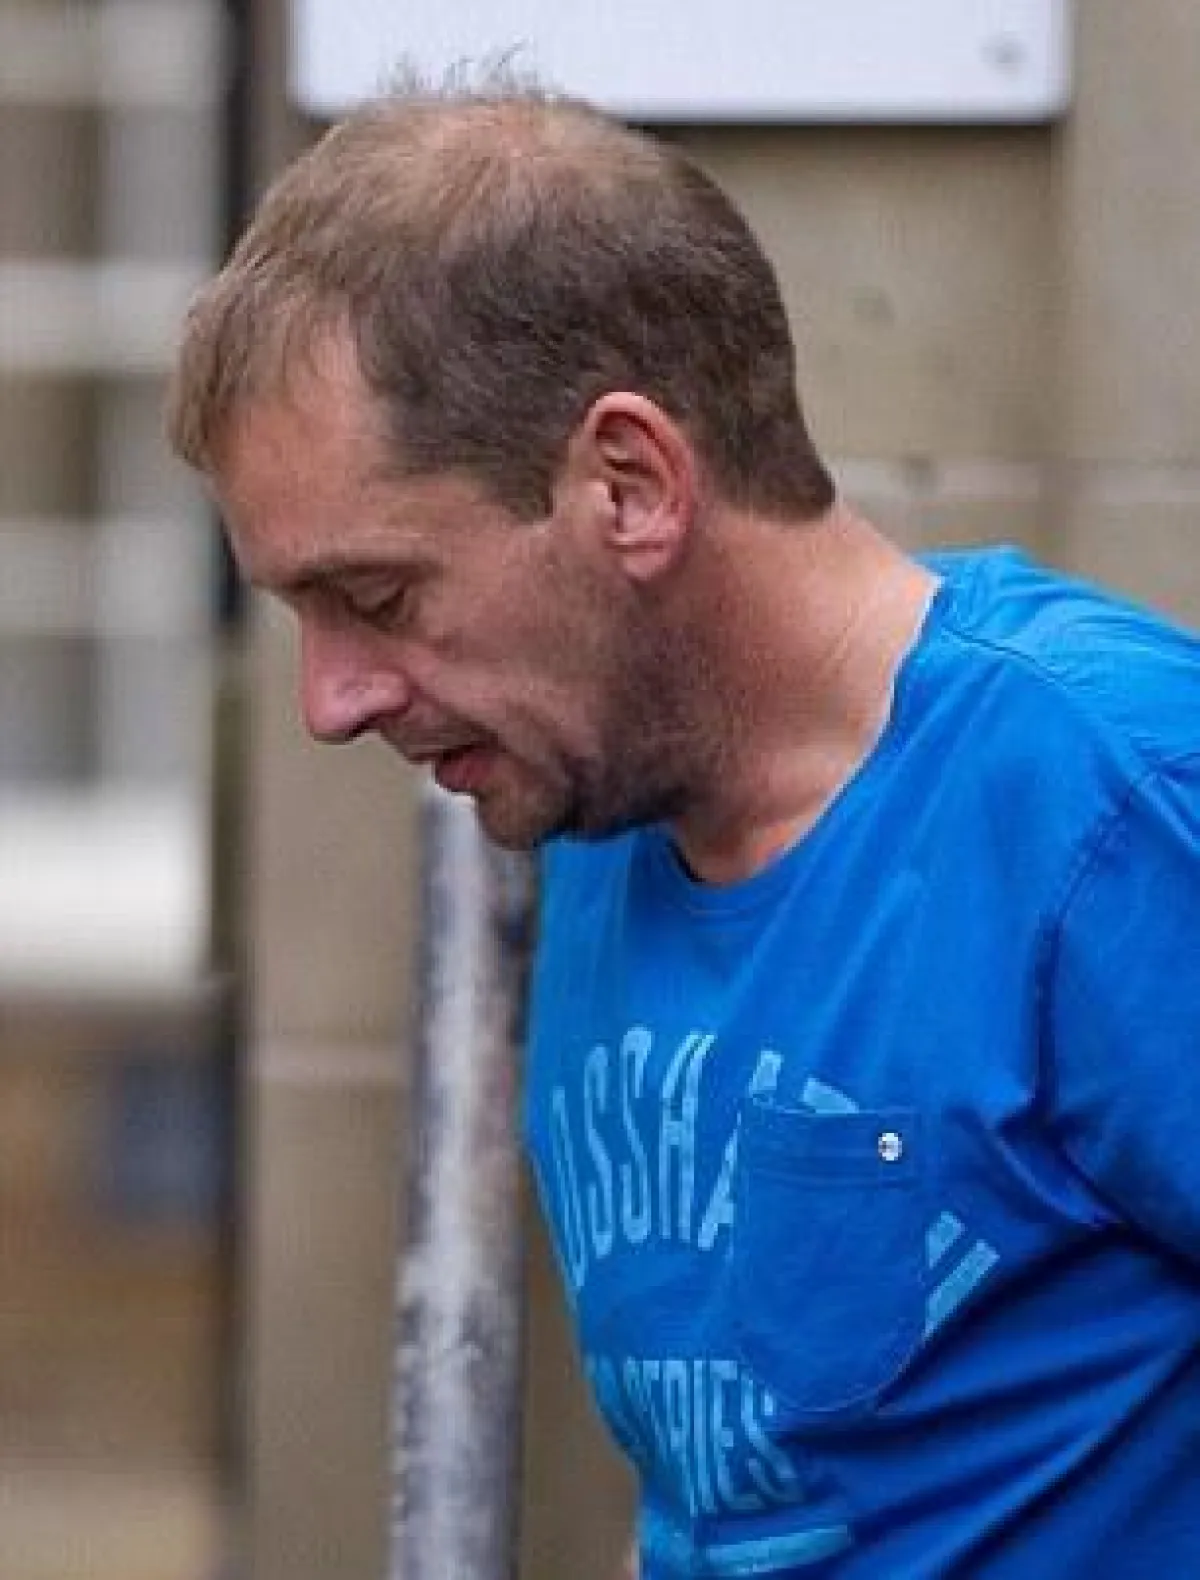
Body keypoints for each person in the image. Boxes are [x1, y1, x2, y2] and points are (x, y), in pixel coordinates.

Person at [166, 81, 1200, 1579]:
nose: (331, 701)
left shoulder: (1110, 794)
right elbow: (745, 1501)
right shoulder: (592, 804)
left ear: (631, 484)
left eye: (379, 597)